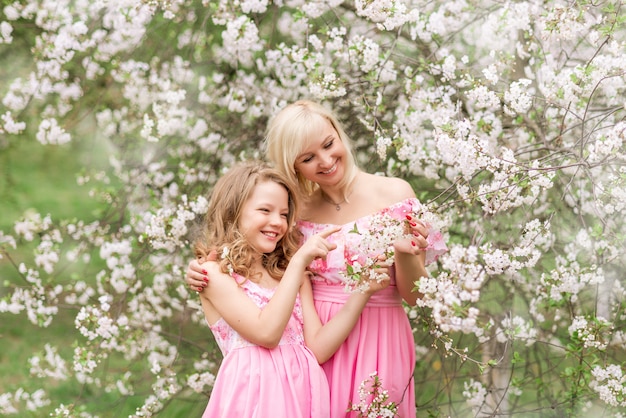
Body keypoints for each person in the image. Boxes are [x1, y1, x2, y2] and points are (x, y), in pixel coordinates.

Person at [187, 101, 447, 417]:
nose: (325, 161)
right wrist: (203, 270)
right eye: (308, 158)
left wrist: (405, 256)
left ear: (339, 134)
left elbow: (416, 297)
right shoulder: (294, 212)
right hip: (313, 346)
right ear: (294, 165)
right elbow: (255, 261)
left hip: (380, 334)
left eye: (328, 144)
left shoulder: (395, 194)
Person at [194, 160, 389, 418]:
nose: (277, 222)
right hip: (255, 400)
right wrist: (299, 261)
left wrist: (362, 291)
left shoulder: (290, 275)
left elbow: (317, 349)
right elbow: (266, 333)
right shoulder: (215, 274)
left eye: (284, 214)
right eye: (265, 210)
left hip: (304, 397)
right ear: (234, 211)